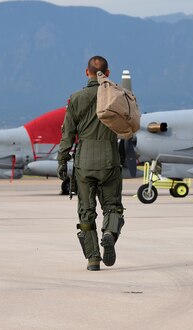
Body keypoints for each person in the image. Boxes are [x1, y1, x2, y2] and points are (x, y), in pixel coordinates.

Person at [57, 56, 125, 271]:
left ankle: (93, 259)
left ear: (86, 72)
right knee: (112, 207)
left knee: (86, 212)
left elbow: (67, 134)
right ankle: (109, 233)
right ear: (108, 73)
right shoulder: (116, 96)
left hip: (84, 162)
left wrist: (62, 161)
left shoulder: (76, 99)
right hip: (109, 158)